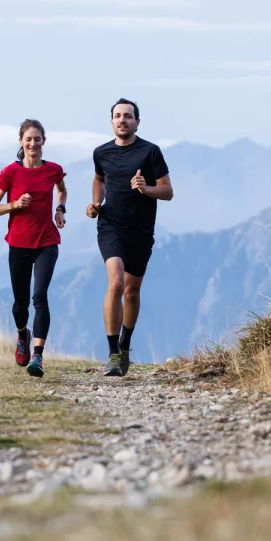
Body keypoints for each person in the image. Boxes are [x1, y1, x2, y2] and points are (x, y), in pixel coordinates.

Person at [86, 98, 173, 376]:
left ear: (137, 122)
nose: (122, 120)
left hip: (141, 231)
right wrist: (96, 203)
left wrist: (146, 189)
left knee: (132, 292)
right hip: (110, 226)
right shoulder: (101, 152)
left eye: (128, 116)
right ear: (111, 121)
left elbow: (168, 191)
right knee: (116, 282)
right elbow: (99, 179)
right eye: (117, 116)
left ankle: (125, 346)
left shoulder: (150, 152)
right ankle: (113, 354)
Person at [0, 119, 67, 378]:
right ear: (21, 142)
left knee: (40, 297)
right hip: (19, 243)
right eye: (28, 139)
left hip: (47, 241)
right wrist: (14, 205)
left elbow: (62, 191)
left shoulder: (54, 170)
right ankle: (23, 335)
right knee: (20, 304)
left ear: (44, 142)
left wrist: (60, 209)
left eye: (37, 139)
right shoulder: (10, 172)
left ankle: (38, 357)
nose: (33, 143)